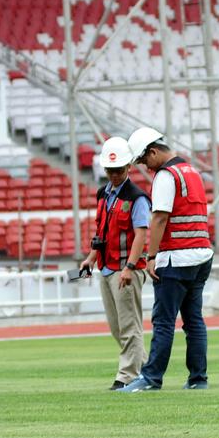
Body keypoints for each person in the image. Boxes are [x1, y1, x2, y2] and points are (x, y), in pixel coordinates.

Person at [118, 127, 212, 392]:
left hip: (175, 258)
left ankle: (151, 378)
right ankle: (198, 379)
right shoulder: (191, 171)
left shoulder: (165, 175)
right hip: (201, 255)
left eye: (143, 160)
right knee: (194, 322)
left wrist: (151, 256)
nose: (145, 167)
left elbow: (159, 217)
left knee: (163, 322)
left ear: (153, 152)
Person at [79, 137, 151, 390]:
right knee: (117, 326)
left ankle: (126, 376)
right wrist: (90, 258)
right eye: (110, 170)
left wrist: (129, 267)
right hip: (107, 267)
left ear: (129, 166)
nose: (114, 175)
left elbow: (140, 234)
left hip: (125, 270)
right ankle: (146, 370)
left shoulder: (137, 198)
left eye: (119, 170)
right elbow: (101, 231)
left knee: (129, 325)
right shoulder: (103, 194)